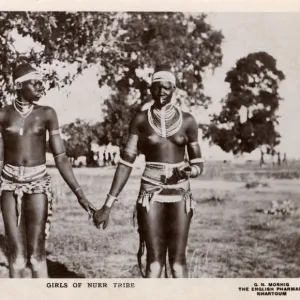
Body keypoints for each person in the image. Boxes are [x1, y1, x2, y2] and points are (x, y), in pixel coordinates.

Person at [93, 65, 204, 278]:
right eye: (156, 87)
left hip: (181, 194)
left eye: (167, 87)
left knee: (178, 264)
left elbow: (199, 163)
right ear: (150, 89)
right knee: (154, 263)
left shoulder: (188, 121)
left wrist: (192, 170)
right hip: (150, 194)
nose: (161, 92)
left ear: (174, 89)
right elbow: (126, 163)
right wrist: (107, 205)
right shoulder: (141, 120)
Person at [0, 63, 96, 278]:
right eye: (35, 83)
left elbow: (60, 157)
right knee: (16, 258)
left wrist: (80, 195)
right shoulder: (4, 115)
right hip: (8, 185)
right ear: (19, 85)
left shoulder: (47, 114)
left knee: (36, 257)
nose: (41, 87)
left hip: (38, 184)